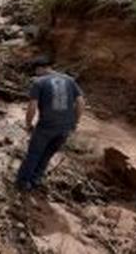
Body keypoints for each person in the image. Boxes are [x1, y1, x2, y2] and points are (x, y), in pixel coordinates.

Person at [16, 56, 85, 192]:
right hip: (65, 127)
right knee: (47, 154)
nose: (35, 73)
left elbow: (32, 106)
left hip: (46, 126)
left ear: (40, 68)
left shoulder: (39, 83)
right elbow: (81, 102)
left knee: (34, 153)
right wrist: (75, 122)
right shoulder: (69, 80)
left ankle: (23, 183)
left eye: (36, 70)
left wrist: (28, 124)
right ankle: (36, 180)